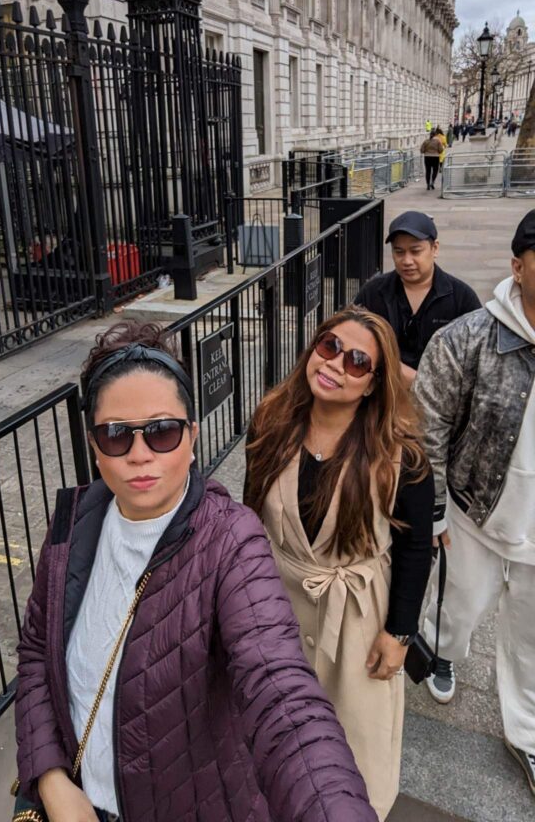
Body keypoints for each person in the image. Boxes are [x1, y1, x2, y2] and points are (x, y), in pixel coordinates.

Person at [14, 321, 378, 822]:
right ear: (94, 446)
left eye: (162, 431)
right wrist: (52, 779)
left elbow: (281, 693)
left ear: (192, 436)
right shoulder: (73, 526)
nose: (140, 454)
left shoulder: (231, 541)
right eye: (117, 435)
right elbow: (35, 651)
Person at [244, 307, 434, 821]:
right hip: (276, 605)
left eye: (356, 361)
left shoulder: (400, 455)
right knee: (273, 727)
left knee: (354, 737)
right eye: (328, 346)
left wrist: (398, 633)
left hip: (357, 614)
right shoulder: (270, 421)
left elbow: (417, 548)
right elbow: (248, 515)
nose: (334, 364)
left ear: (374, 383)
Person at [414, 209, 535, 798]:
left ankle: (527, 734)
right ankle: (440, 652)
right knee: (455, 609)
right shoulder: (467, 337)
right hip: (475, 511)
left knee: (532, 639)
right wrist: (434, 508)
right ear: (518, 265)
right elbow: (428, 427)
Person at [354, 211, 481, 388]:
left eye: (415, 251)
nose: (407, 261)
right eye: (399, 252)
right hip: (381, 397)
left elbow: (477, 359)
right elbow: (353, 340)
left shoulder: (462, 298)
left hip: (441, 401)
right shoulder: (373, 293)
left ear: (434, 248)